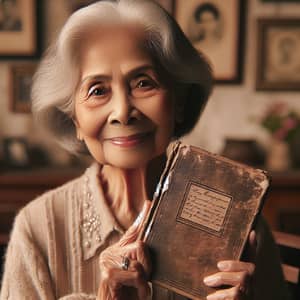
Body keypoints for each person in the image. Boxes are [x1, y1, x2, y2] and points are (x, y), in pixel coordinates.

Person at [0, 0, 289, 299]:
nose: (123, 112)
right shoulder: (37, 228)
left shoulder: (239, 217)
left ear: (178, 101)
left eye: (143, 83)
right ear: (74, 119)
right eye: (98, 90)